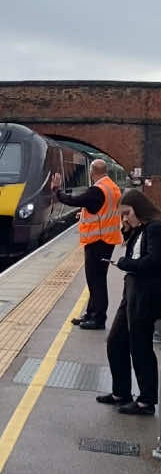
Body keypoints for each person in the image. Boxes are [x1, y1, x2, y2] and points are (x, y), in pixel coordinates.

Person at [96, 190, 161, 448]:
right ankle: (121, 392)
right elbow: (134, 250)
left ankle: (146, 400)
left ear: (138, 208)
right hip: (131, 291)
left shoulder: (155, 228)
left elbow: (154, 261)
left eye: (127, 213)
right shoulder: (140, 228)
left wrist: (125, 264)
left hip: (146, 293)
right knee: (116, 340)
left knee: (140, 345)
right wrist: (126, 230)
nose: (125, 218)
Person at [51, 159, 123, 329]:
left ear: (92, 172)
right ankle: (91, 313)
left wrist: (56, 190)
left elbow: (72, 200)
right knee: (96, 279)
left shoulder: (97, 190)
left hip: (97, 241)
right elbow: (101, 210)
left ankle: (98, 318)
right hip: (107, 240)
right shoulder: (112, 187)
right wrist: (83, 214)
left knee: (96, 280)